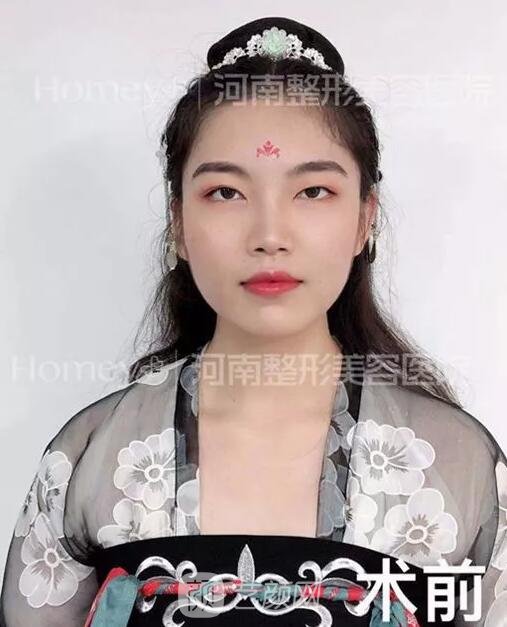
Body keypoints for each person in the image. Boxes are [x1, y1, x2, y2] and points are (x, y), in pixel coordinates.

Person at [1, 15, 506, 627]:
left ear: (364, 219)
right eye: (226, 193)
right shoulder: (93, 460)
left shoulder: (454, 467)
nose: (269, 235)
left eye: (313, 192)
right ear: (178, 223)